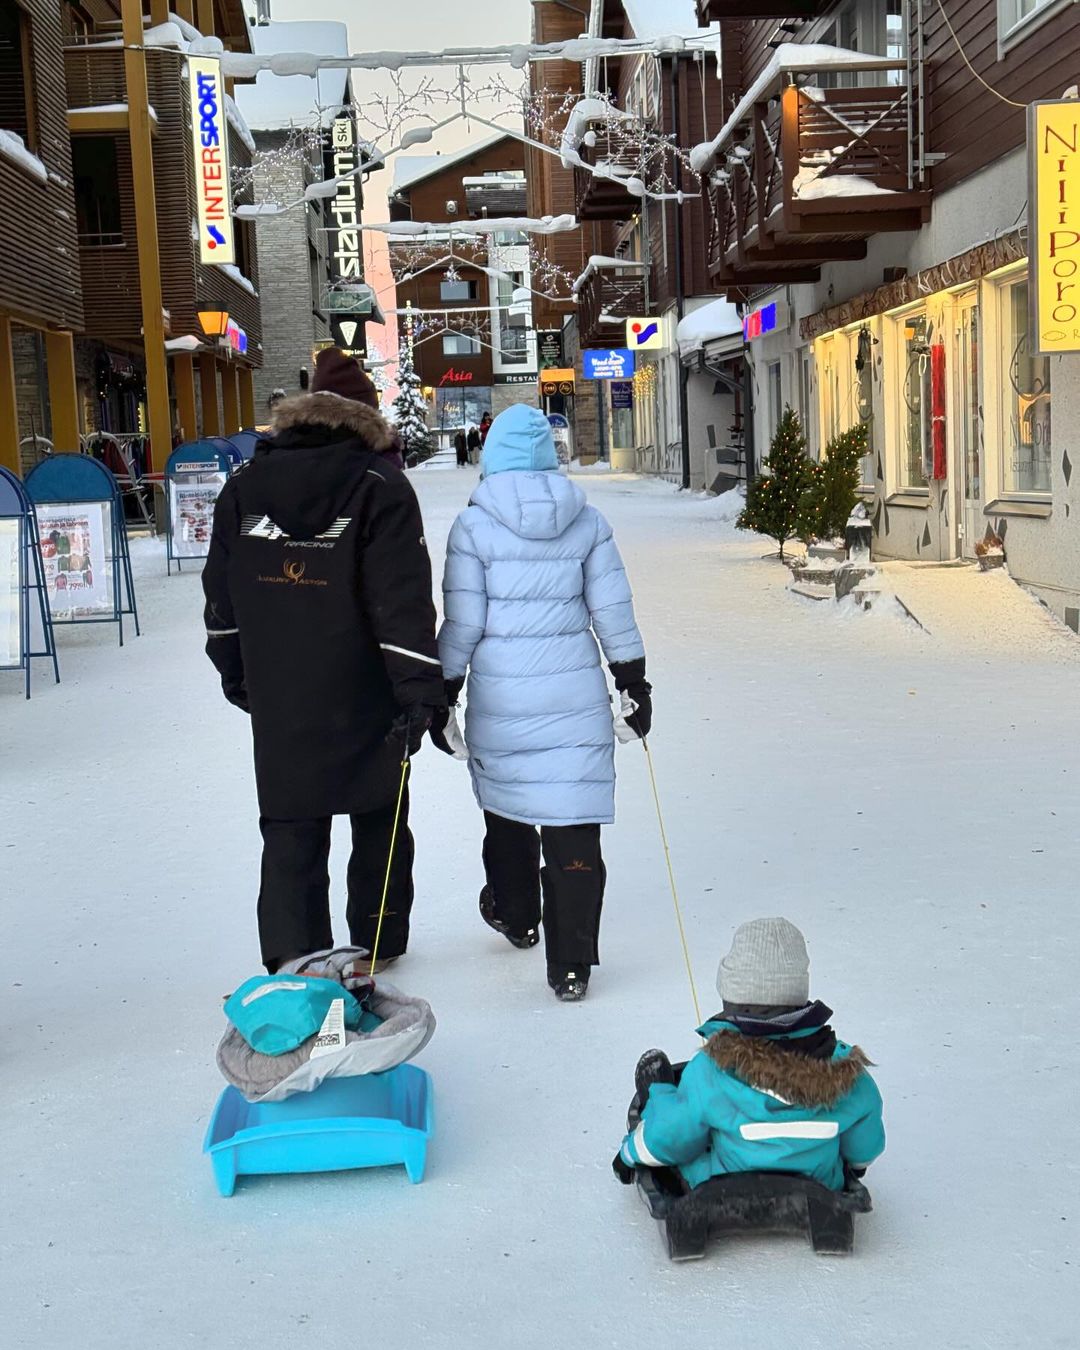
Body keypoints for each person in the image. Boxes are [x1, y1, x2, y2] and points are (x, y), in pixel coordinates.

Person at [203, 345, 446, 976]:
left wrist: (236, 670)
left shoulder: (243, 486)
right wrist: (421, 689)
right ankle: (378, 941)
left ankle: (296, 955)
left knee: (290, 828)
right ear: (364, 418)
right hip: (367, 690)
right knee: (381, 816)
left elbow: (220, 595)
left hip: (281, 692)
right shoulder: (381, 486)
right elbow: (402, 601)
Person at [434, 404, 651, 1002]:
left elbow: (463, 622)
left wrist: (443, 692)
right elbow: (612, 610)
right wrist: (633, 681)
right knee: (572, 822)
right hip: (573, 693)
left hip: (501, 698)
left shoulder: (473, 527)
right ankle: (572, 964)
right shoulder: (588, 522)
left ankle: (515, 913)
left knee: (506, 811)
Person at [615, 918, 885, 1190]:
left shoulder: (711, 1070)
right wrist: (857, 1165)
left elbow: (670, 1137)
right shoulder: (845, 1074)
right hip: (819, 1188)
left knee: (685, 1135)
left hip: (724, 1188)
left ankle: (659, 1095)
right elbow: (863, 1145)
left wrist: (629, 1155)